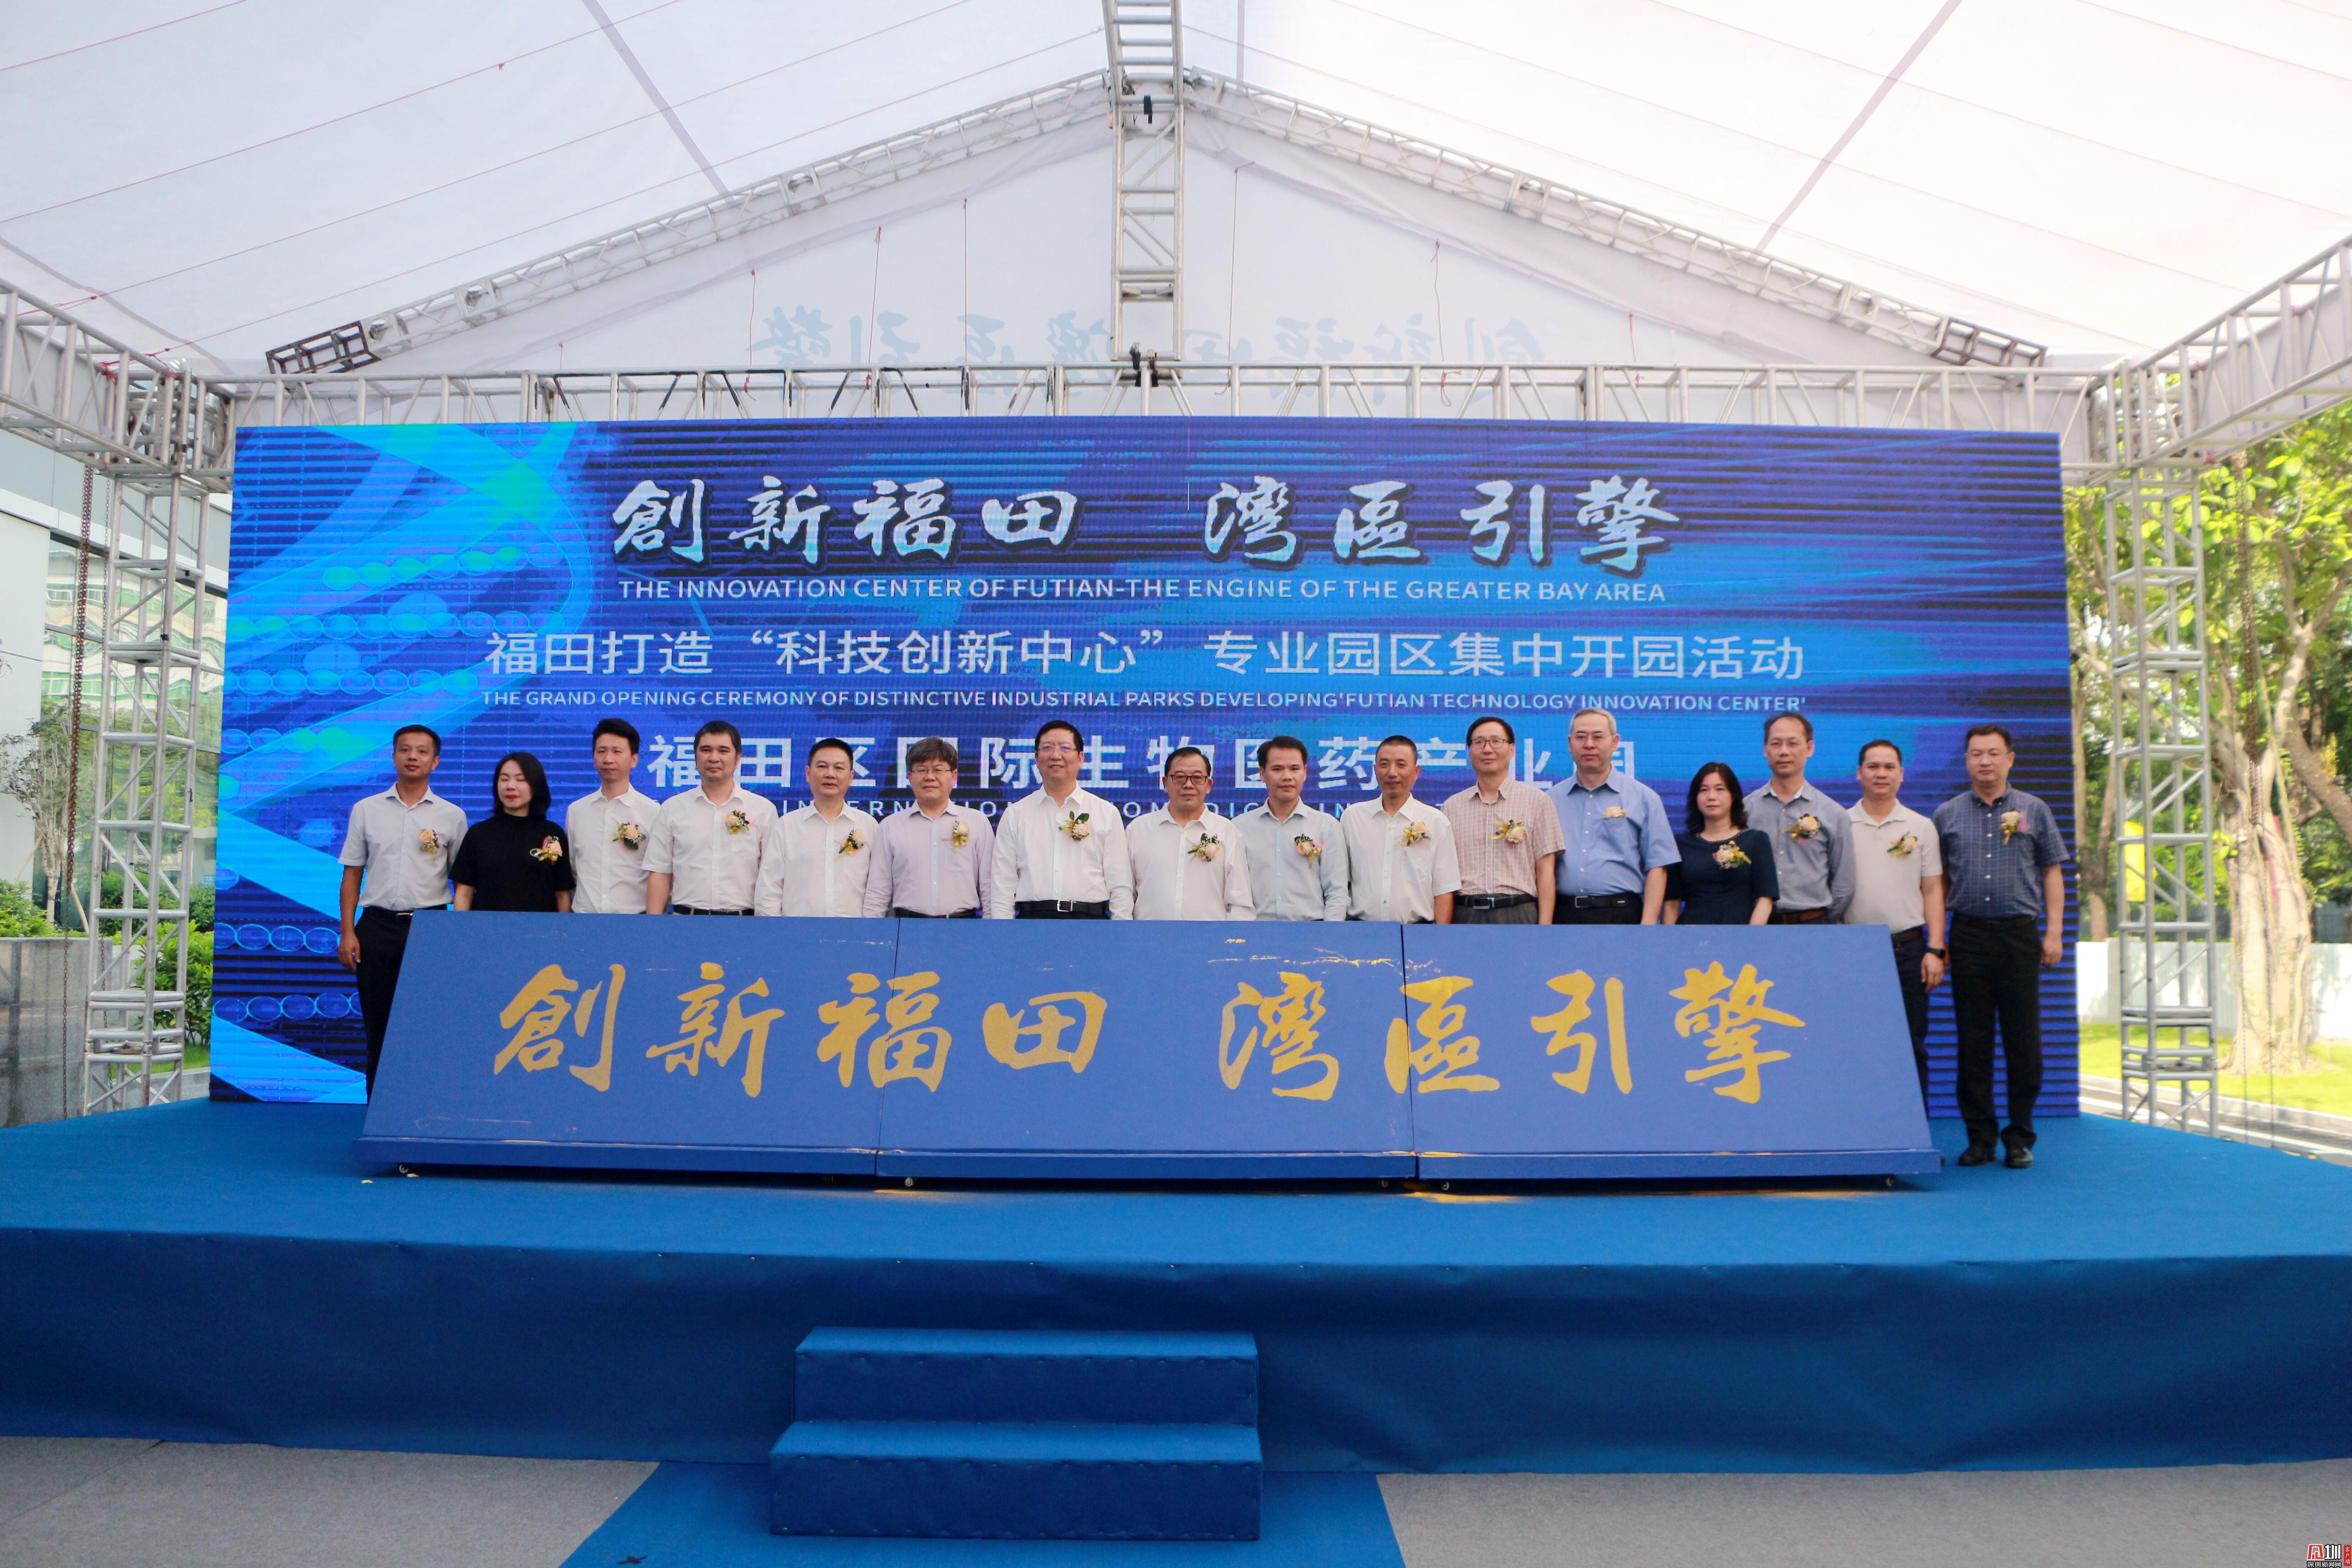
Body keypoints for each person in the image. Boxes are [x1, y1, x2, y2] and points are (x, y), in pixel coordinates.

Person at [1933, 724, 2067, 1169]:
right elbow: (1938, 882)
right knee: (1973, 1042)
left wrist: (2053, 933)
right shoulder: (1947, 814)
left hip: (2018, 936)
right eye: (1976, 754)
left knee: (2023, 1041)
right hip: (1968, 936)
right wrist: (1940, 940)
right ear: (1967, 761)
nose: (1985, 761)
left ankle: (2020, 1137)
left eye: (1993, 753)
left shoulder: (2035, 809)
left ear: (2010, 759)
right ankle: (1980, 1138)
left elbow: (2052, 872)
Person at [335, 725, 468, 1093]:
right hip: (375, 928)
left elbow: (463, 882)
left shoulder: (452, 816)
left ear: (435, 762)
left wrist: (460, 935)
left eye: (422, 751)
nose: (413, 757)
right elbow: (352, 875)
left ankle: (421, 1109)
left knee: (427, 1025)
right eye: (405, 750)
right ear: (393, 756)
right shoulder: (366, 810)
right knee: (378, 1025)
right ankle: (378, 1110)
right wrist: (348, 931)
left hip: (431, 929)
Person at [1846, 739, 1946, 1107]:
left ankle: (1913, 1128)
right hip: (1852, 952)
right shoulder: (1840, 824)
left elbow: (1933, 890)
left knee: (1910, 1042)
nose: (1881, 774)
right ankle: (1863, 1126)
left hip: (1909, 950)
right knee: (1855, 1043)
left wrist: (1936, 949)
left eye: (1889, 767)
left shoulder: (1921, 826)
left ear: (1902, 775)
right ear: (1859, 774)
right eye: (1873, 767)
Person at [989, 720, 1134, 919]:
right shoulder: (1016, 814)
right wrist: (1002, 931)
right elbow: (1002, 885)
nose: (1056, 756)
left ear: (1081, 758)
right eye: (1047, 748)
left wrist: (1120, 931)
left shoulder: (1106, 813)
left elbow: (1120, 885)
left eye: (1065, 748)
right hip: (1032, 923)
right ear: (1037, 759)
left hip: (1089, 923)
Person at [1544, 707, 1676, 924]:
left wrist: (1648, 929)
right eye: (1581, 737)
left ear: (1615, 743)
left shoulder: (1644, 798)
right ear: (1570, 743)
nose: (1589, 744)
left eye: (1598, 737)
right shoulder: (1550, 800)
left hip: (1622, 914)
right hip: (1565, 915)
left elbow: (1658, 867)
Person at [644, 719, 775, 916]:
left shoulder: (763, 809)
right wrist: (654, 926)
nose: (714, 758)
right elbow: (660, 871)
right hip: (685, 922)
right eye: (706, 750)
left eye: (723, 751)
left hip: (744, 923)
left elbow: (772, 874)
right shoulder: (673, 808)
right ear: (695, 757)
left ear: (738, 758)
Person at [1441, 715, 1563, 925]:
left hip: (1518, 913)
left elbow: (1545, 871)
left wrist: (1544, 929)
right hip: (1466, 914)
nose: (1488, 749)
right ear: (1469, 752)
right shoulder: (1452, 807)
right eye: (1479, 742)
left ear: (1512, 749)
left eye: (1496, 741)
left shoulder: (1537, 801)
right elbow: (1444, 876)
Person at [863, 737, 995, 918]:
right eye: (922, 770)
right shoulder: (890, 826)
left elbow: (990, 888)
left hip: (964, 927)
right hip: (907, 927)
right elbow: (878, 893)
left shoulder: (977, 822)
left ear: (954, 776)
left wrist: (992, 930)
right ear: (909, 776)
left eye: (938, 770)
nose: (930, 777)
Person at [1745, 711, 1855, 923]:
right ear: (1765, 750)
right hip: (1758, 926)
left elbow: (1844, 884)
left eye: (1793, 743)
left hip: (1813, 925)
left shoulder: (1833, 813)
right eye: (1776, 744)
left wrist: (1820, 920)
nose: (1784, 751)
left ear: (1810, 748)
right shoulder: (1745, 811)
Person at [1341, 736, 1460, 924]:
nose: (1392, 773)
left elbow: (1444, 889)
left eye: (1401, 765)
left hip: (1417, 932)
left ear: (1416, 772)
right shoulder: (1353, 818)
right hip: (1361, 930)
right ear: (1375, 770)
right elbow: (1340, 884)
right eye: (1384, 765)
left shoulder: (1436, 822)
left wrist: (1439, 937)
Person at [755, 737, 878, 917]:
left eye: (839, 768)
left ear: (851, 777)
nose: (830, 774)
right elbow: (769, 889)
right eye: (822, 767)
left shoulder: (868, 826)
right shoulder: (787, 826)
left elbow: (878, 890)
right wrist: (773, 931)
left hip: (855, 931)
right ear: (808, 773)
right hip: (797, 931)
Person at [1130, 746, 1255, 920]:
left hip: (1210, 936)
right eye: (1180, 777)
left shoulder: (1227, 832)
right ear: (1165, 783)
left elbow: (1240, 901)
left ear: (1209, 785)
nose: (1188, 785)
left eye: (1197, 778)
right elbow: (1125, 893)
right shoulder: (1138, 829)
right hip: (1148, 934)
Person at [1234, 735, 1348, 921]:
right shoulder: (1240, 827)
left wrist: (1329, 933)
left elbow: (1337, 891)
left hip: (1312, 930)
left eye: (1294, 769)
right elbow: (1235, 892)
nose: (1287, 776)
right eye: (1277, 769)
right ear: (1262, 774)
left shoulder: (1326, 826)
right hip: (1256, 930)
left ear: (1305, 772)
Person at [451, 752, 574, 913]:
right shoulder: (479, 834)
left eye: (520, 780)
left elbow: (562, 895)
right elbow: (464, 893)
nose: (510, 786)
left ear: (536, 785)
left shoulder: (553, 834)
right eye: (504, 779)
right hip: (487, 926)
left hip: (540, 927)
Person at [1662, 762, 1776, 926]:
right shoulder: (1681, 844)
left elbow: (1765, 900)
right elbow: (1672, 904)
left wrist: (1751, 937)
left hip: (1740, 935)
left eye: (1720, 789)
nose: (1711, 797)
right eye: (1704, 790)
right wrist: (1669, 938)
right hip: (1691, 935)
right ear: (1695, 798)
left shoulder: (1756, 840)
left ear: (1733, 796)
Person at [565, 718, 659, 914]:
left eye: (617, 752)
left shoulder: (653, 812)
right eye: (602, 751)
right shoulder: (577, 811)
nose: (608, 759)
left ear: (634, 760)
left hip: (634, 921)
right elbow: (574, 868)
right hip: (584, 920)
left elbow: (660, 873)